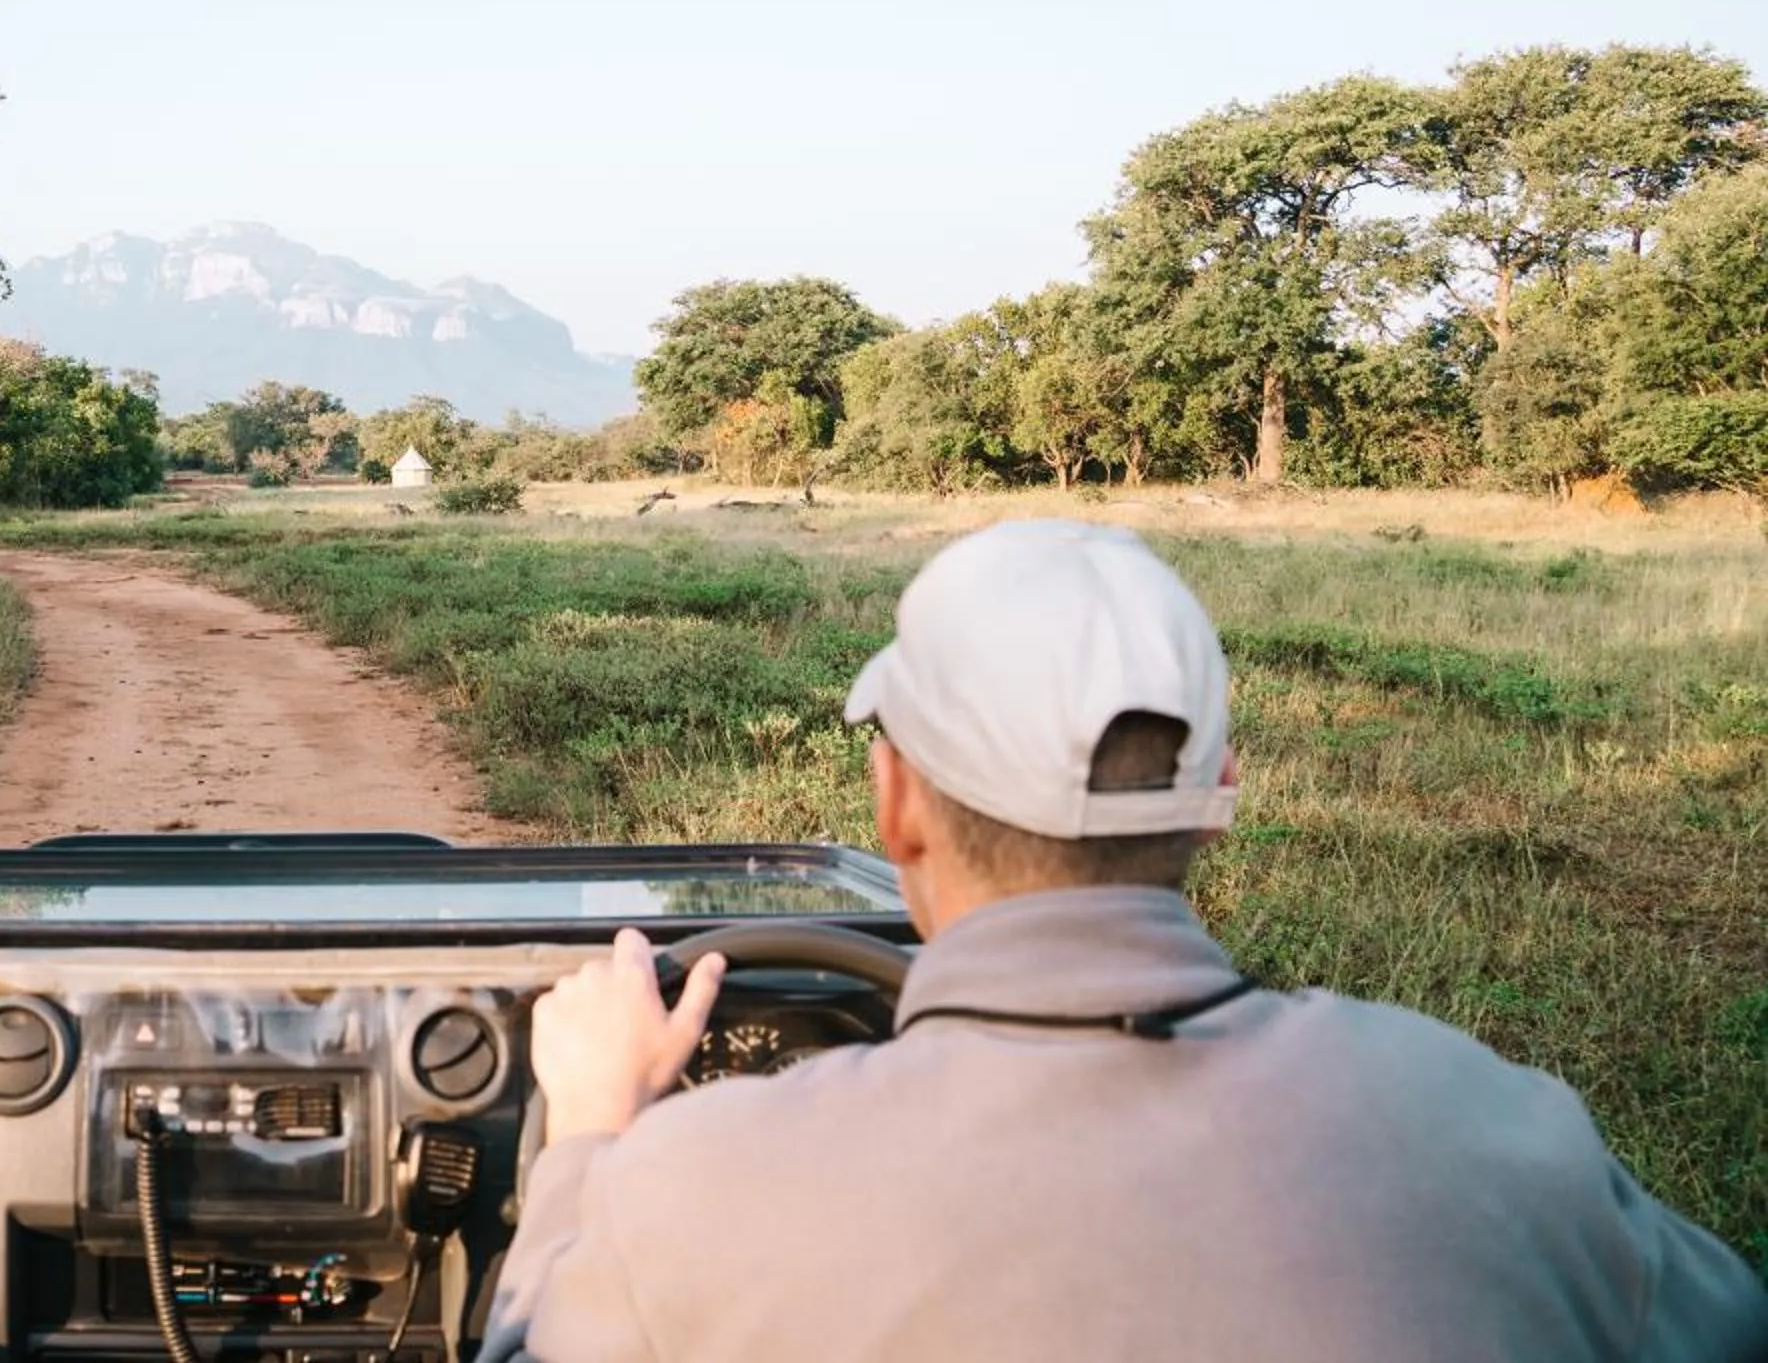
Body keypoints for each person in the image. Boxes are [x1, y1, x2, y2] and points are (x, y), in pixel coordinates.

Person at [483, 518, 1768, 1362]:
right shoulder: (1508, 1136)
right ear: (1222, 796)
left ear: (899, 803)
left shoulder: (695, 1191)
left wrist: (593, 1139)